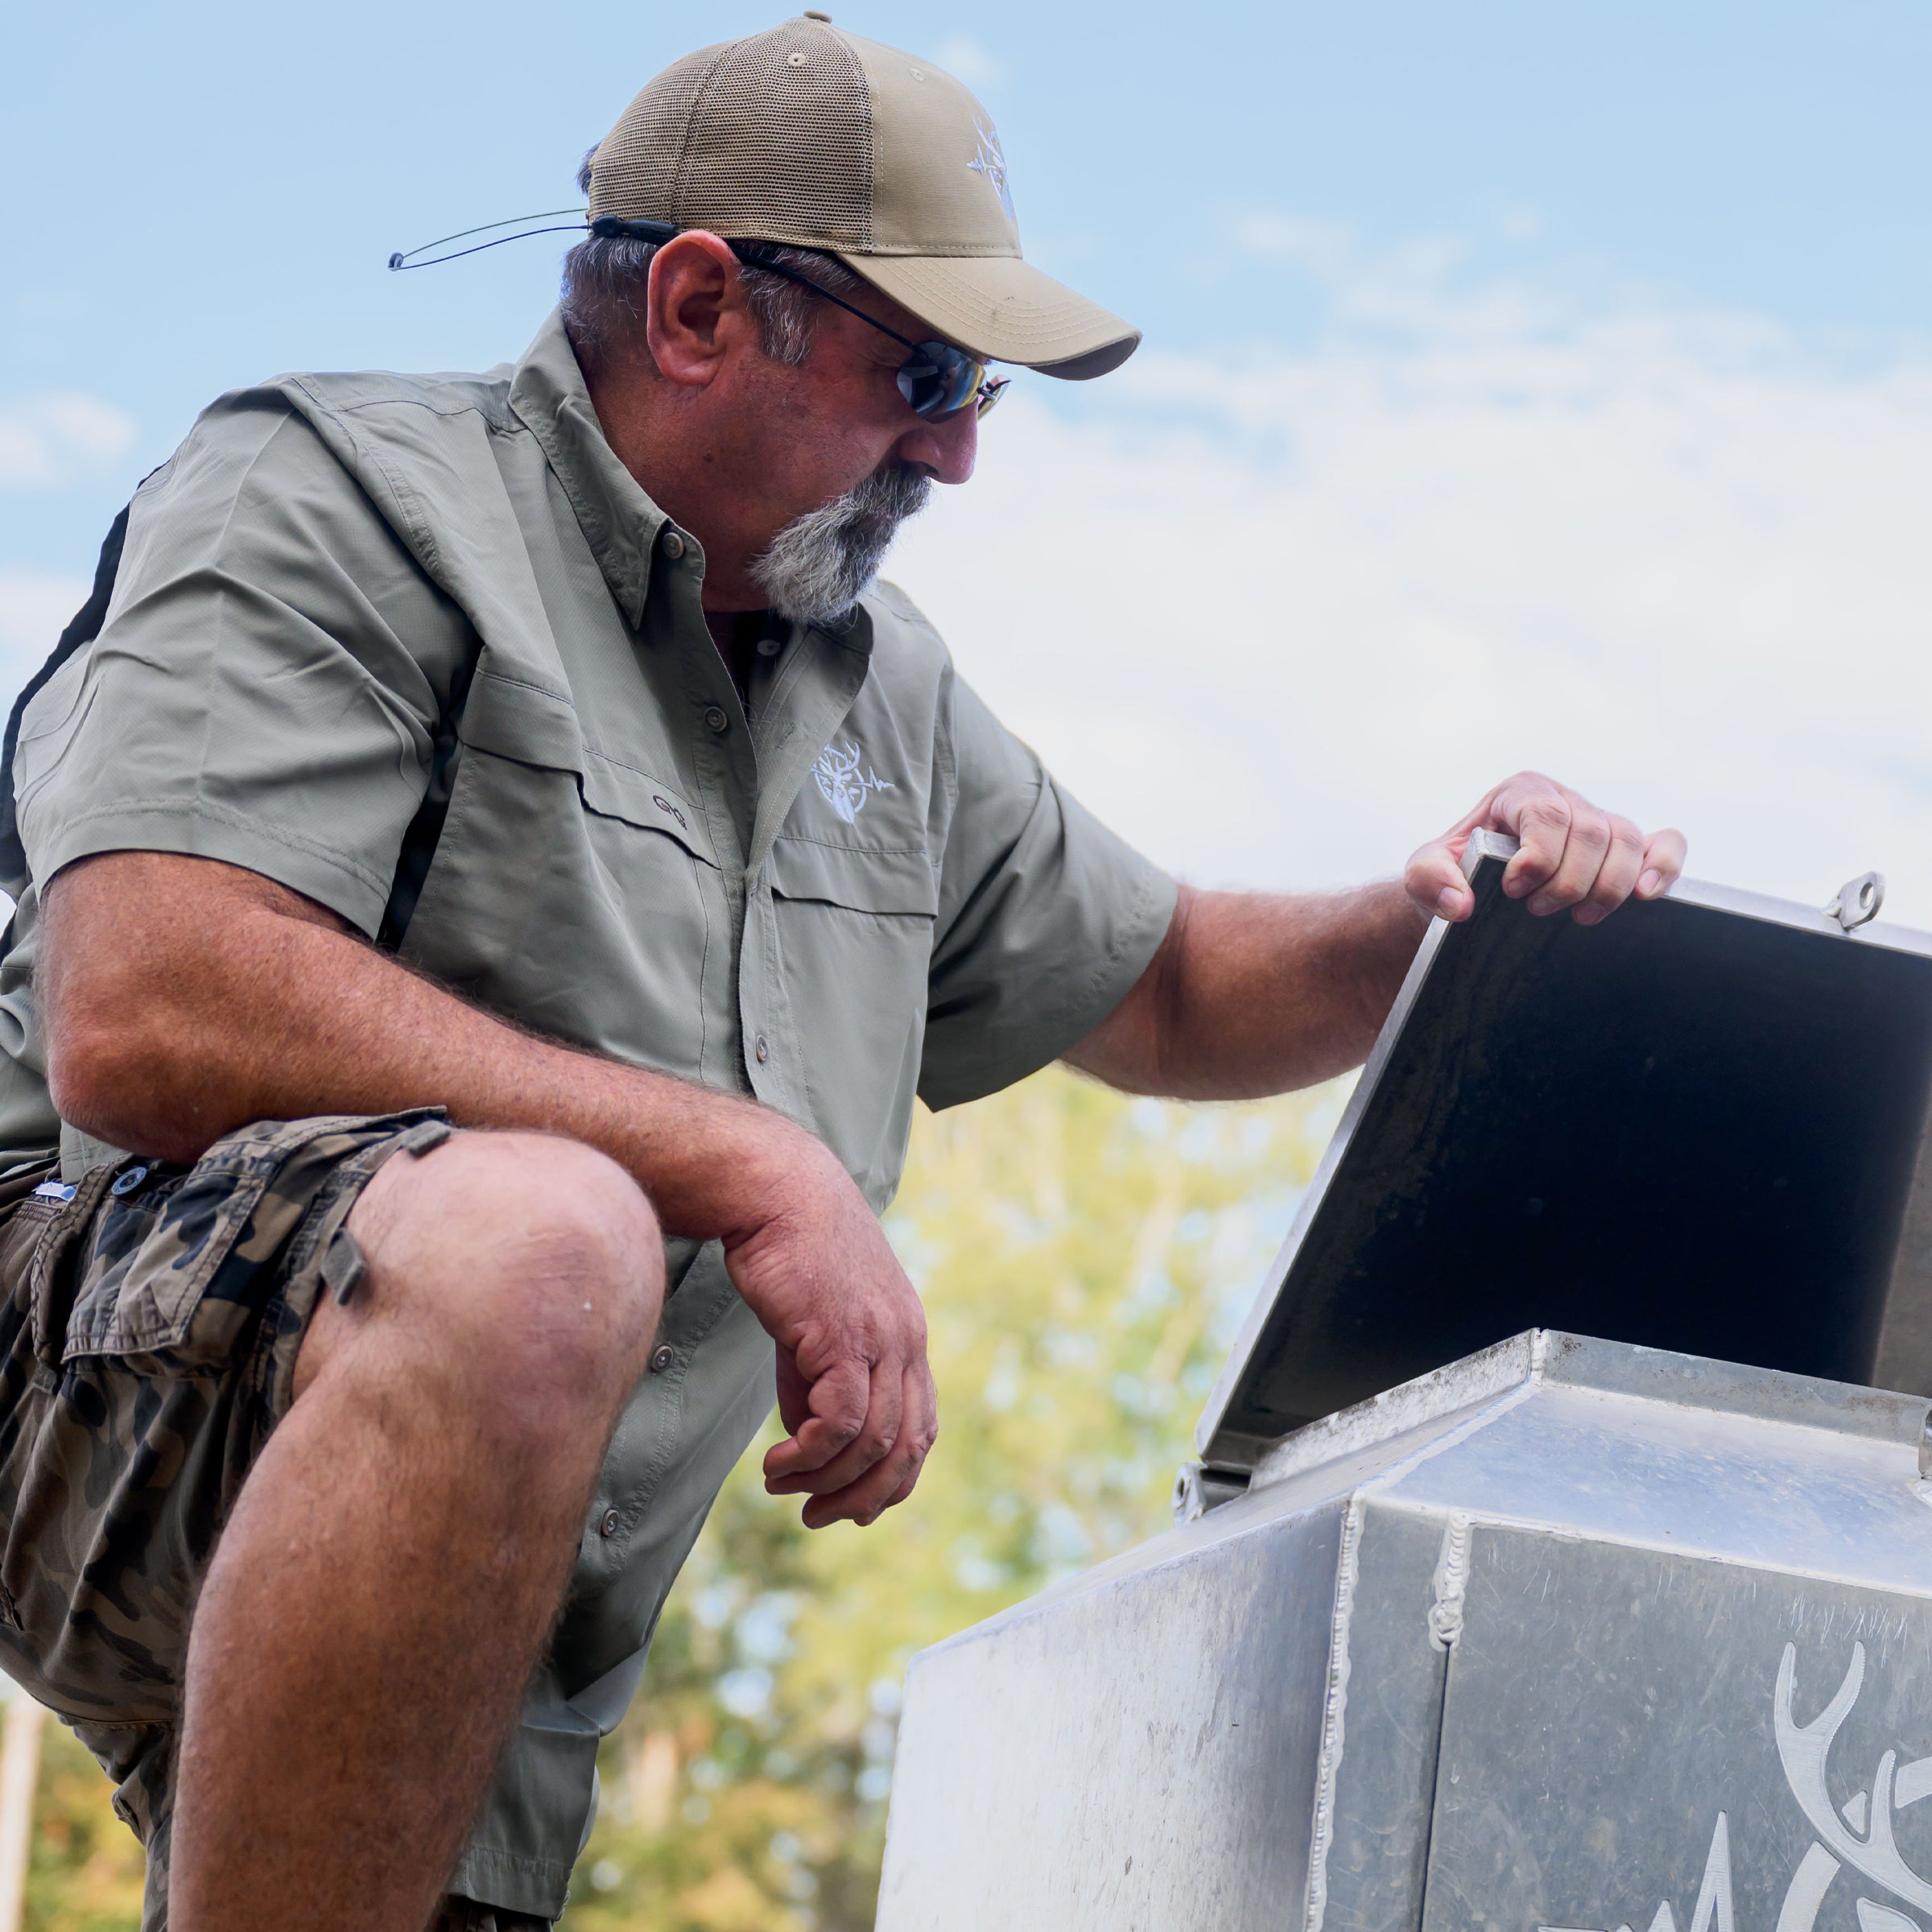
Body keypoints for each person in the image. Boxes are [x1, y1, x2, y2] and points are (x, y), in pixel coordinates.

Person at [0, 15, 1686, 1932]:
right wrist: (752, 1161)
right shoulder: (332, 493)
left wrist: (1448, 914)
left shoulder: (883, 694)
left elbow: (1176, 988)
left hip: (463, 1562)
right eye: (930, 369)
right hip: (60, 1320)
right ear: (705, 306)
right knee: (549, 1241)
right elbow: (142, 1001)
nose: (962, 449)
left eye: (986, 395)